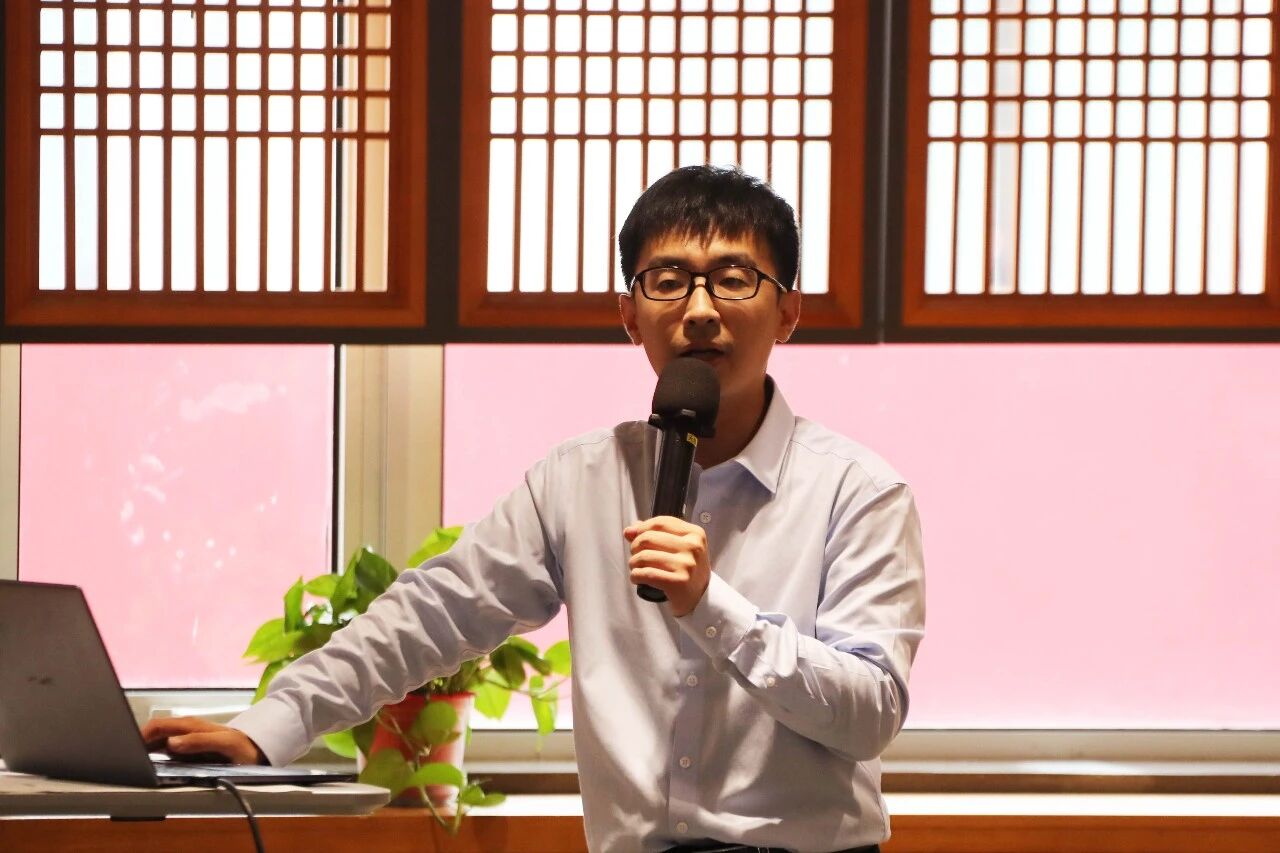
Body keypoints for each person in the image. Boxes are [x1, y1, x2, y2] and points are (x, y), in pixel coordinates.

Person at [143, 165, 926, 853]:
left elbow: (871, 714)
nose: (698, 308)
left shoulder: (859, 491)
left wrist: (713, 607)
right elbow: (432, 613)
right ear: (629, 315)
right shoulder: (579, 478)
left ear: (788, 311)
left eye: (732, 277)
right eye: (667, 280)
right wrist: (268, 726)